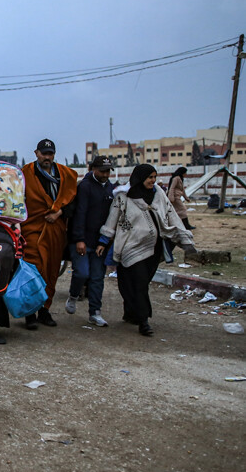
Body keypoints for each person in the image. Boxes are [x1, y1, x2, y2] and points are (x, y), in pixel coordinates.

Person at [98, 164, 195, 336]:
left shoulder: (159, 194)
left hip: (154, 248)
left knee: (140, 283)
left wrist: (185, 238)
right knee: (135, 283)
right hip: (130, 247)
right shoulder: (123, 197)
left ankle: (132, 313)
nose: (153, 180)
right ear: (140, 177)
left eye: (154, 177)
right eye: (149, 177)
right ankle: (143, 321)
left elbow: (171, 214)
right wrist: (103, 241)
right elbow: (112, 219)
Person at [20, 138, 77, 329]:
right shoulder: (25, 174)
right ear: (36, 153)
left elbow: (71, 201)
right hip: (32, 229)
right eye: (44, 153)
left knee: (52, 270)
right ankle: (29, 313)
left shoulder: (65, 174)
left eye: (50, 154)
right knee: (33, 270)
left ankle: (44, 310)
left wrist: (59, 213)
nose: (47, 157)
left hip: (56, 230)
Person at [66, 156, 115, 327]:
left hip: (100, 243)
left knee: (97, 278)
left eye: (108, 171)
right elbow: (79, 214)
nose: (105, 174)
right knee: (82, 273)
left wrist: (105, 241)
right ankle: (73, 295)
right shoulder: (85, 187)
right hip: (81, 240)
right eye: (102, 171)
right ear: (93, 169)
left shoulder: (111, 189)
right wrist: (79, 239)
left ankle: (95, 312)